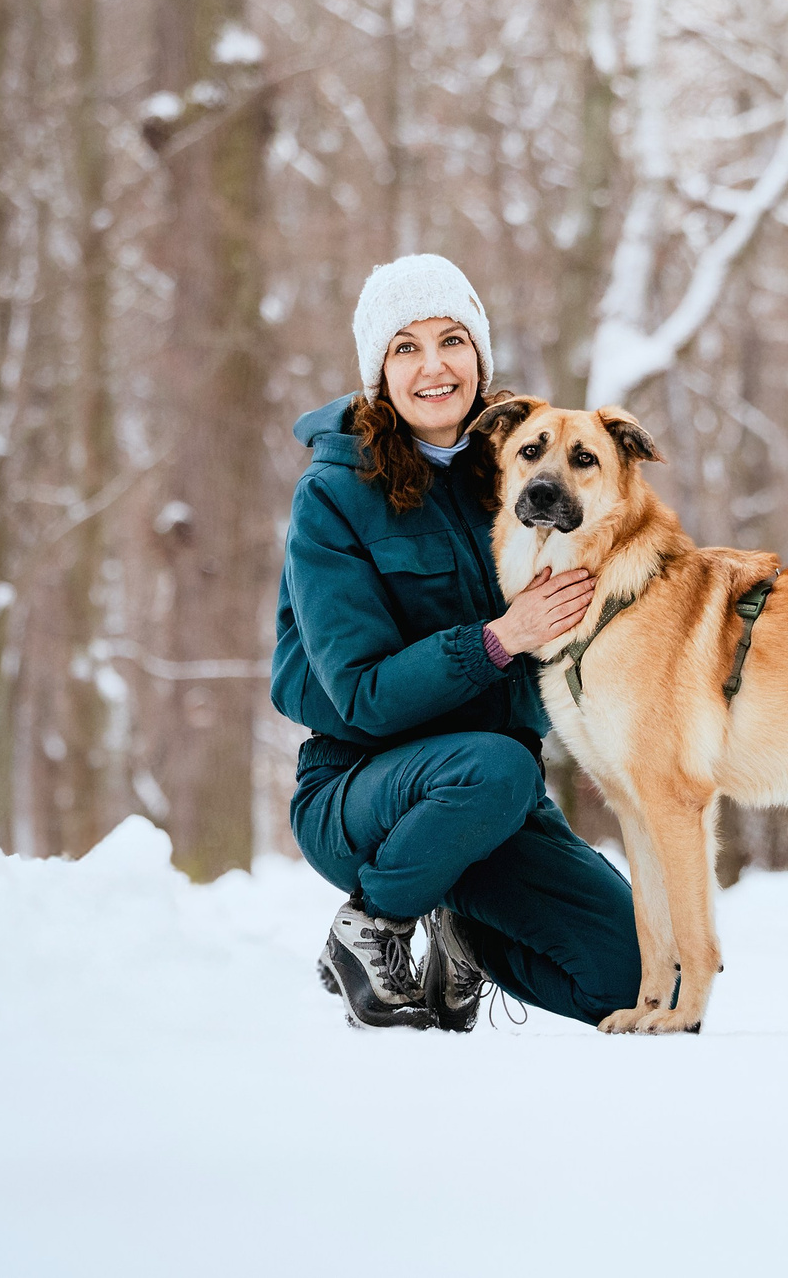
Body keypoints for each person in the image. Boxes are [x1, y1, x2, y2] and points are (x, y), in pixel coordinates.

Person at [272, 253, 642, 1030]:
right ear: (378, 369)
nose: (434, 365)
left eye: (452, 340)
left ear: (480, 353)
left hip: (496, 802)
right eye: (405, 346)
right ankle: (370, 925)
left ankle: (464, 932)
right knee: (494, 765)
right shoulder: (332, 496)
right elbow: (362, 695)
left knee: (639, 976)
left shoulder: (525, 467)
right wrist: (501, 639)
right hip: (360, 794)